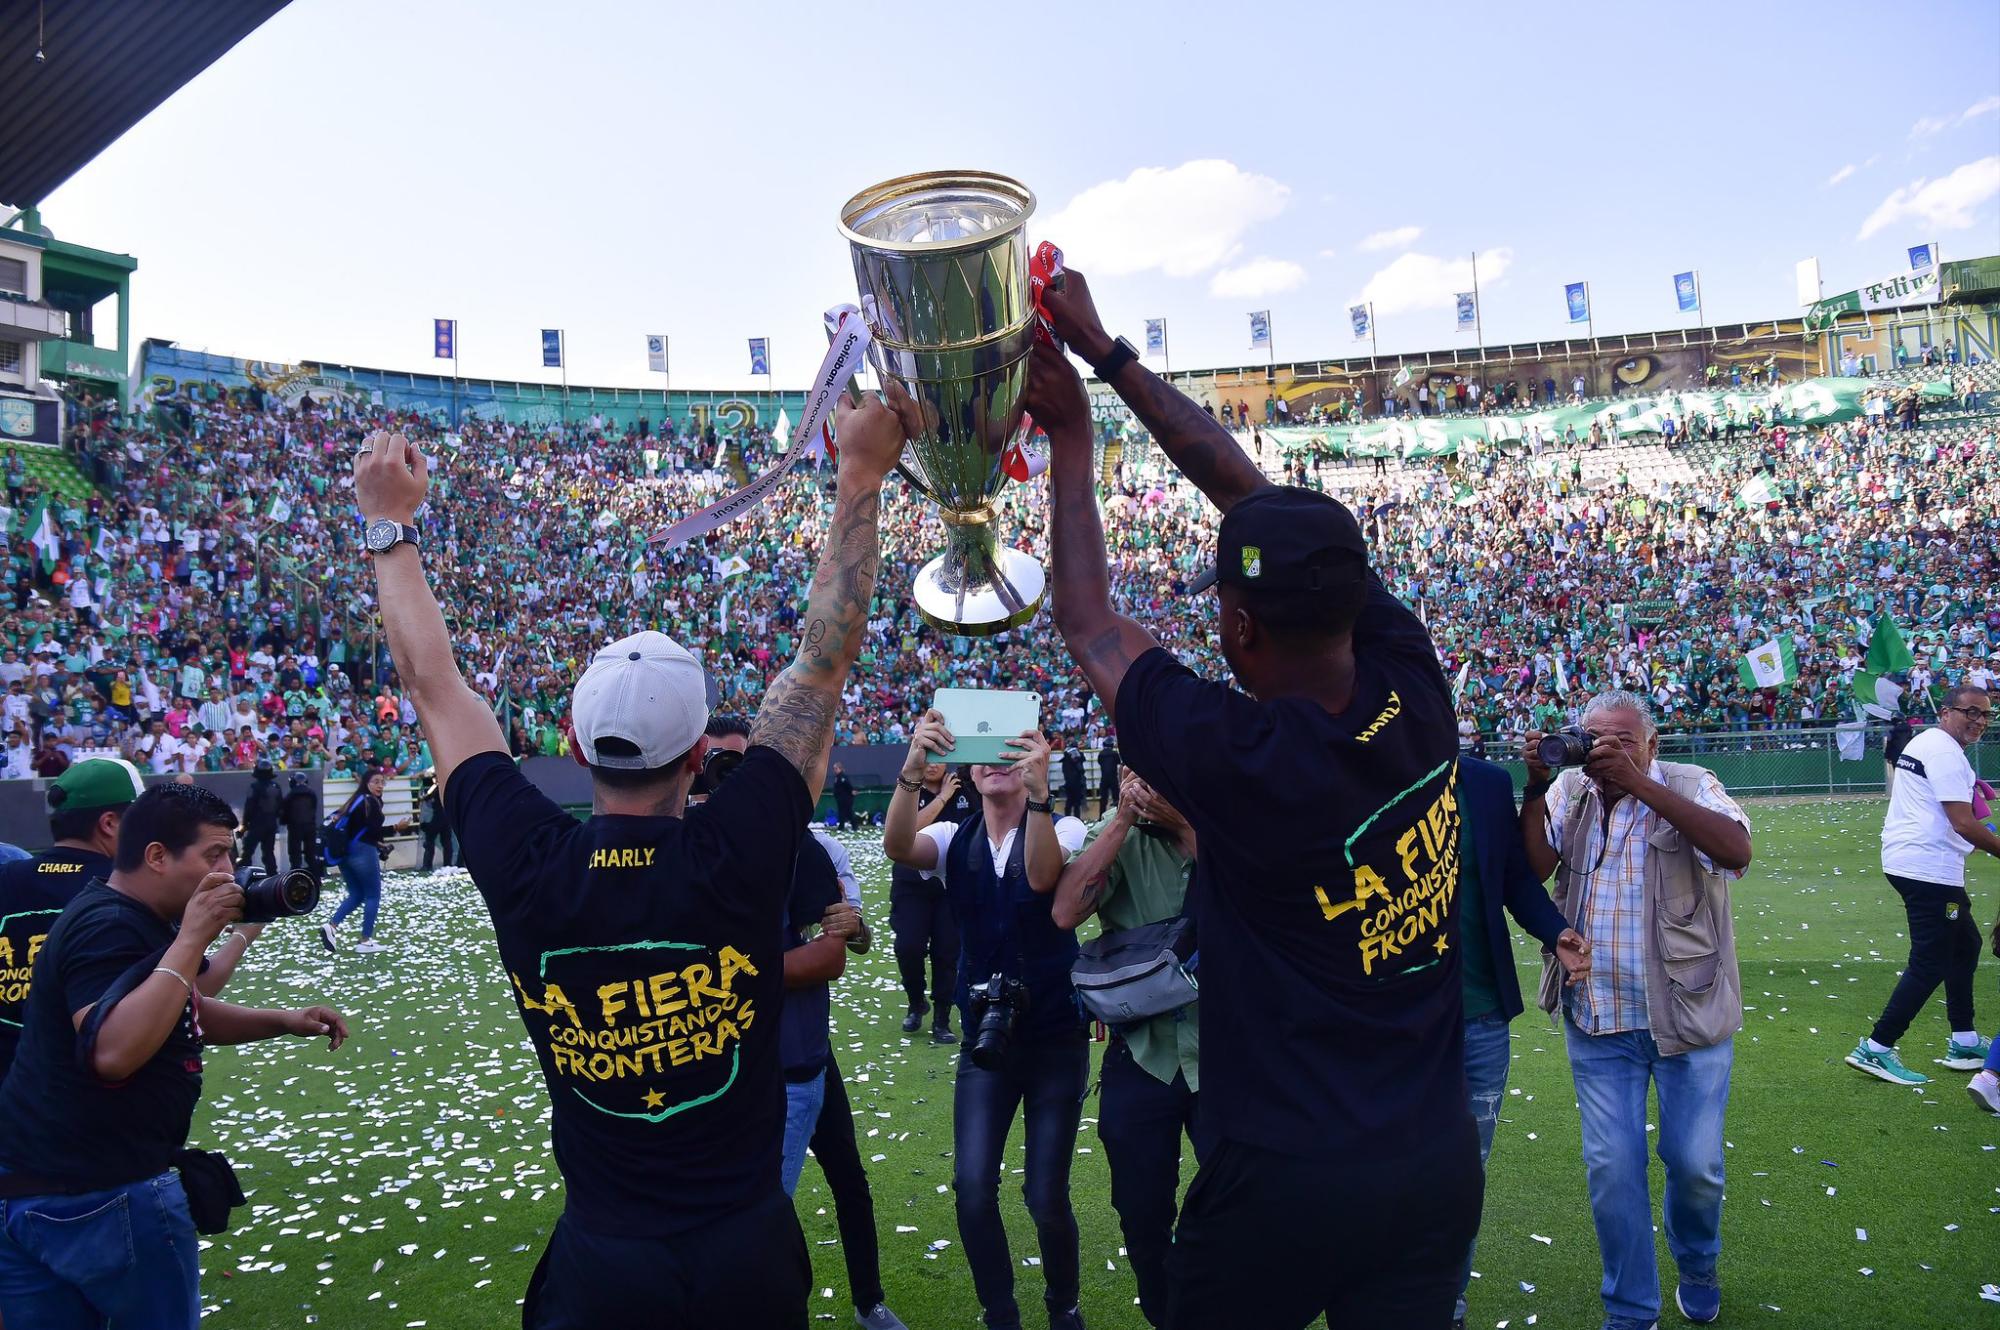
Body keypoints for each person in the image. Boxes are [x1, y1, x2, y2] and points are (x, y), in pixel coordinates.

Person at [359, 391, 904, 1327]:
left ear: (572, 744)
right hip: (745, 1252)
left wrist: (388, 526)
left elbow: (433, 685)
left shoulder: (529, 861)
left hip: (605, 1258)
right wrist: (859, 473)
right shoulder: (741, 846)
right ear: (702, 756)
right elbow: (823, 658)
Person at [1029, 265, 1479, 1327]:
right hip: (1430, 1161)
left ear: (1236, 629)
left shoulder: (1237, 754)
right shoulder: (1411, 683)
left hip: (1280, 1174)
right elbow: (1258, 502)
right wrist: (1112, 355)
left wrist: (1073, 441)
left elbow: (1091, 621)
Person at [0, 782, 348, 1329]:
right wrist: (193, 939)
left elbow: (178, 1010)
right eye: (214, 855)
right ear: (157, 856)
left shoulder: (124, 915)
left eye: (229, 855)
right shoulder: (108, 924)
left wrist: (284, 1021)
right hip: (102, 1190)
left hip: (40, 1182)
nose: (228, 873)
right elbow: (113, 1049)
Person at [1521, 691, 1753, 1330]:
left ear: (1652, 745)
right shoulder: (1574, 791)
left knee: (1696, 1165)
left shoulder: (1690, 783)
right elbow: (1534, 869)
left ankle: (1698, 1262)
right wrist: (1538, 785)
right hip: (1598, 1016)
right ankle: (1630, 1309)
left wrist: (1639, 786)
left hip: (1687, 1016)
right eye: (1594, 737)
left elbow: (1736, 850)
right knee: (1612, 1170)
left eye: (1623, 740)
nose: (1605, 751)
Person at [883, 716, 1089, 1330]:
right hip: (985, 1042)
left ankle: (1063, 1307)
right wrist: (912, 770)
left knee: (1045, 1195)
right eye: (984, 754)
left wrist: (1041, 796)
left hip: (1054, 1036)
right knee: (972, 1188)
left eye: (1011, 749)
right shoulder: (954, 835)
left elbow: (1041, 877)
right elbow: (898, 847)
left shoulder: (1064, 824)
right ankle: (1000, 1312)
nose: (996, 761)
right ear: (970, 771)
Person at [1049, 770, 1204, 1328]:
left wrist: (1185, 823)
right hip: (1143, 1056)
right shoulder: (1119, 838)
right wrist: (1121, 819)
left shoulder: (1232, 824)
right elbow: (1066, 912)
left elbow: (1271, 894)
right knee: (1141, 1215)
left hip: (1229, 1056)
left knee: (1244, 1202)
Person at [1451, 753, 1593, 1330]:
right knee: (1380, 1168)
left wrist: (1554, 927)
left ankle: (1446, 1307)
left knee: (1462, 1174)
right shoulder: (1353, 771)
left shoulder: (1482, 782)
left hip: (1480, 1014)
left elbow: (1511, 875)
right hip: (1387, 1025)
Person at [1848, 685, 1999, 1085]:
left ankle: (1964, 1040)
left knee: (1966, 944)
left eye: (1985, 714)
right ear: (1946, 712)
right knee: (1931, 959)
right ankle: (1877, 1048)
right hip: (1928, 868)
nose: (1979, 721)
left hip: (1916, 862)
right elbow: (1963, 823)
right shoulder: (1944, 751)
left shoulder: (1933, 745)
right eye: (1971, 712)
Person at [889, 762, 970, 1042]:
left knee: (947, 953)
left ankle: (942, 1018)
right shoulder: (908, 788)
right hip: (911, 884)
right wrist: (942, 798)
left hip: (953, 885)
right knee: (908, 947)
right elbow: (906, 833)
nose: (933, 764)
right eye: (929, 756)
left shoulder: (966, 787)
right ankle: (916, 1001)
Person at [317, 769, 402, 955]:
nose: (380, 785)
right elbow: (374, 831)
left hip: (345, 854)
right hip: (362, 852)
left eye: (382, 782)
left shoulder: (355, 801)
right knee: (373, 895)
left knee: (356, 894)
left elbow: (359, 830)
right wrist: (396, 828)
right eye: (376, 781)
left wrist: (379, 844)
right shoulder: (369, 801)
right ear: (367, 783)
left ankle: (331, 926)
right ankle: (365, 940)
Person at [240, 760, 281, 877]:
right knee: (268, 853)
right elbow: (280, 806)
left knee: (247, 852)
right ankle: (273, 877)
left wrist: (245, 823)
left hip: (256, 824)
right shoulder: (276, 787)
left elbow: (249, 806)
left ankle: (245, 875)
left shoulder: (254, 787)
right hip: (271, 824)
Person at [282, 772, 320, 876]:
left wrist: (284, 821)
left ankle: (296, 877)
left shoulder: (289, 796)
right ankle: (316, 878)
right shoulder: (312, 794)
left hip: (295, 827)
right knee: (311, 855)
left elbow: (284, 813)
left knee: (295, 856)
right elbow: (314, 809)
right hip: (310, 827)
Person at [416, 767, 453, 871]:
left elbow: (424, 797)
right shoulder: (446, 785)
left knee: (430, 841)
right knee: (446, 843)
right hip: (446, 818)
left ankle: (427, 865)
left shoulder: (435, 787)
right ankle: (448, 864)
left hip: (437, 817)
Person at [1059, 741, 1086, 820]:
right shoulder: (1078, 757)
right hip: (1077, 782)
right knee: (1077, 803)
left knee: (1069, 802)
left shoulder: (1065, 758)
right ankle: (1077, 819)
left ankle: (1067, 819)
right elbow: (1081, 770)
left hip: (1068, 783)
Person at [1095, 738, 1120, 816]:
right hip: (1113, 778)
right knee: (1116, 798)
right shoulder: (1114, 753)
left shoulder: (1101, 754)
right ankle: (1117, 815)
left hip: (1104, 778)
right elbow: (1118, 762)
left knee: (1103, 799)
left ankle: (1101, 816)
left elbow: (1099, 762)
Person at [833, 762, 858, 830]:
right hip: (840, 798)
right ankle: (841, 826)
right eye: (834, 768)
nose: (834, 770)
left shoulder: (842, 777)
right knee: (842, 813)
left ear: (840, 769)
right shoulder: (837, 777)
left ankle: (855, 826)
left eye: (836, 768)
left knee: (849, 812)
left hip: (845, 799)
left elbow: (848, 785)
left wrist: (852, 791)